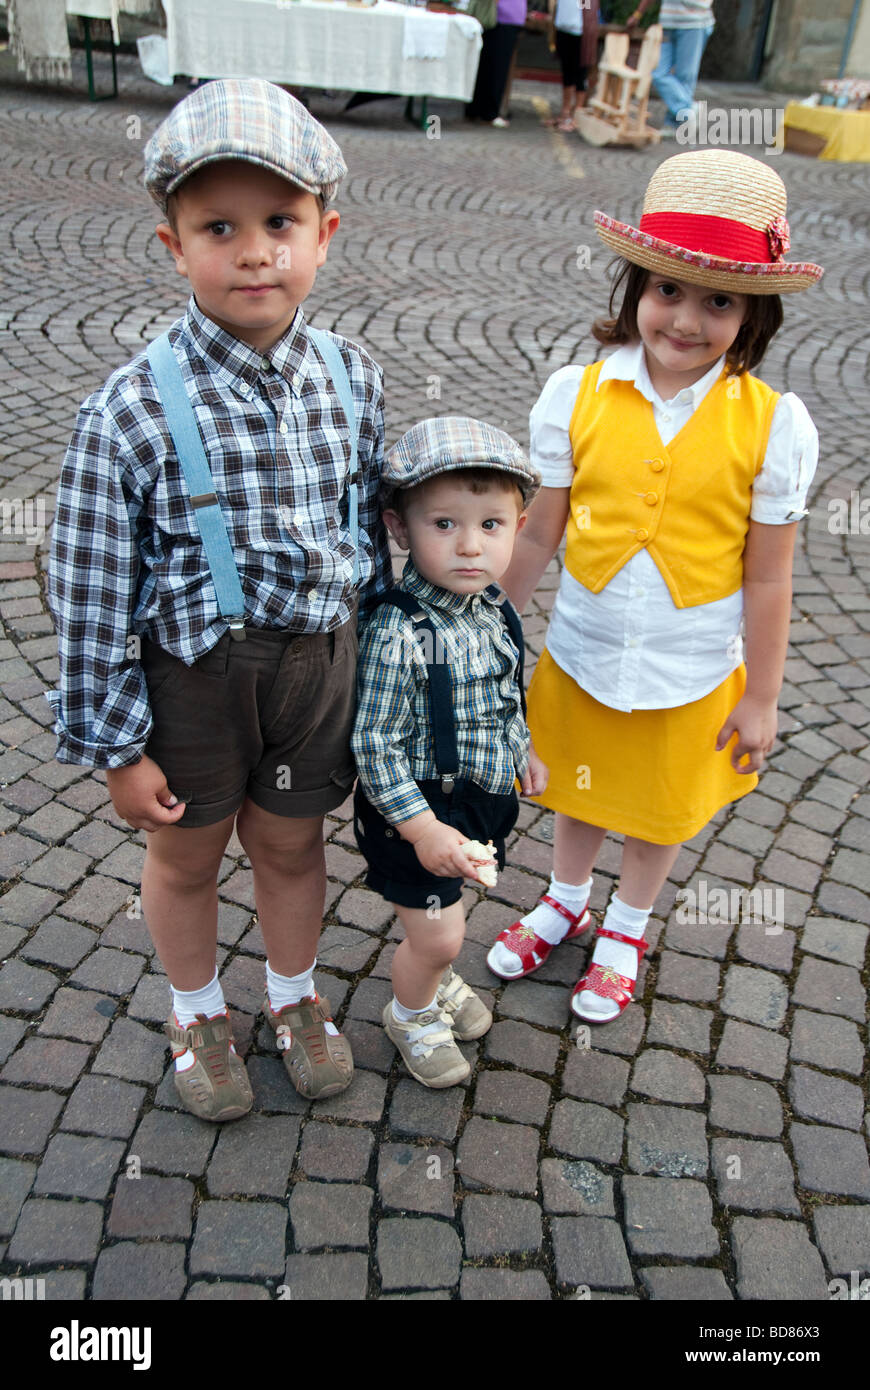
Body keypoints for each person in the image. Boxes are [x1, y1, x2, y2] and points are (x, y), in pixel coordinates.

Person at [47, 79, 393, 1120]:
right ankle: (197, 1009)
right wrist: (116, 743)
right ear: (173, 244)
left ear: (324, 235)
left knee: (292, 840)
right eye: (220, 227)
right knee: (187, 851)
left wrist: (382, 665)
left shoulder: (354, 375)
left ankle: (293, 996)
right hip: (196, 677)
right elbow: (91, 583)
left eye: (280, 223)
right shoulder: (134, 406)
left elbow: (371, 526)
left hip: (316, 666)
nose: (255, 252)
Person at [487, 149, 823, 1024]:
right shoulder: (578, 393)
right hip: (588, 648)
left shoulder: (775, 425)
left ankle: (627, 926)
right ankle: (564, 900)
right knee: (576, 785)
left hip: (690, 666)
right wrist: (484, 631)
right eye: (668, 290)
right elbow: (540, 531)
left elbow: (770, 573)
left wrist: (762, 697)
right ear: (635, 288)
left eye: (719, 300)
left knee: (660, 806)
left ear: (753, 314)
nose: (685, 318)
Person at [351, 419, 548, 1086]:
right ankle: (409, 1011)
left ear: (519, 526)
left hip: (478, 803)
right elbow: (374, 742)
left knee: (450, 914)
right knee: (439, 931)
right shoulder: (398, 630)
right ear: (400, 528)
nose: (470, 546)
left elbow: (502, 695)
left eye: (491, 525)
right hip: (414, 814)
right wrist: (421, 826)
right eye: (444, 524)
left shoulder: (495, 610)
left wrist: (522, 748)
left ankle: (432, 978)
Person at [628, 0, 715, 135]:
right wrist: (638, 14)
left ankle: (674, 123)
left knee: (685, 76)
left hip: (694, 23)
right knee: (657, 72)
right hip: (668, 23)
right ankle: (689, 108)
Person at [465, 0, 528, 127]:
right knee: (497, 68)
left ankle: (475, 109)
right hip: (504, 16)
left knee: (486, 64)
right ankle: (489, 113)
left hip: (502, 15)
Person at [541, 0, 599, 132]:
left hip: (579, 30)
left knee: (580, 72)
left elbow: (589, 7)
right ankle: (565, 113)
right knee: (567, 72)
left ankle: (576, 117)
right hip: (563, 27)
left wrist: (588, 27)